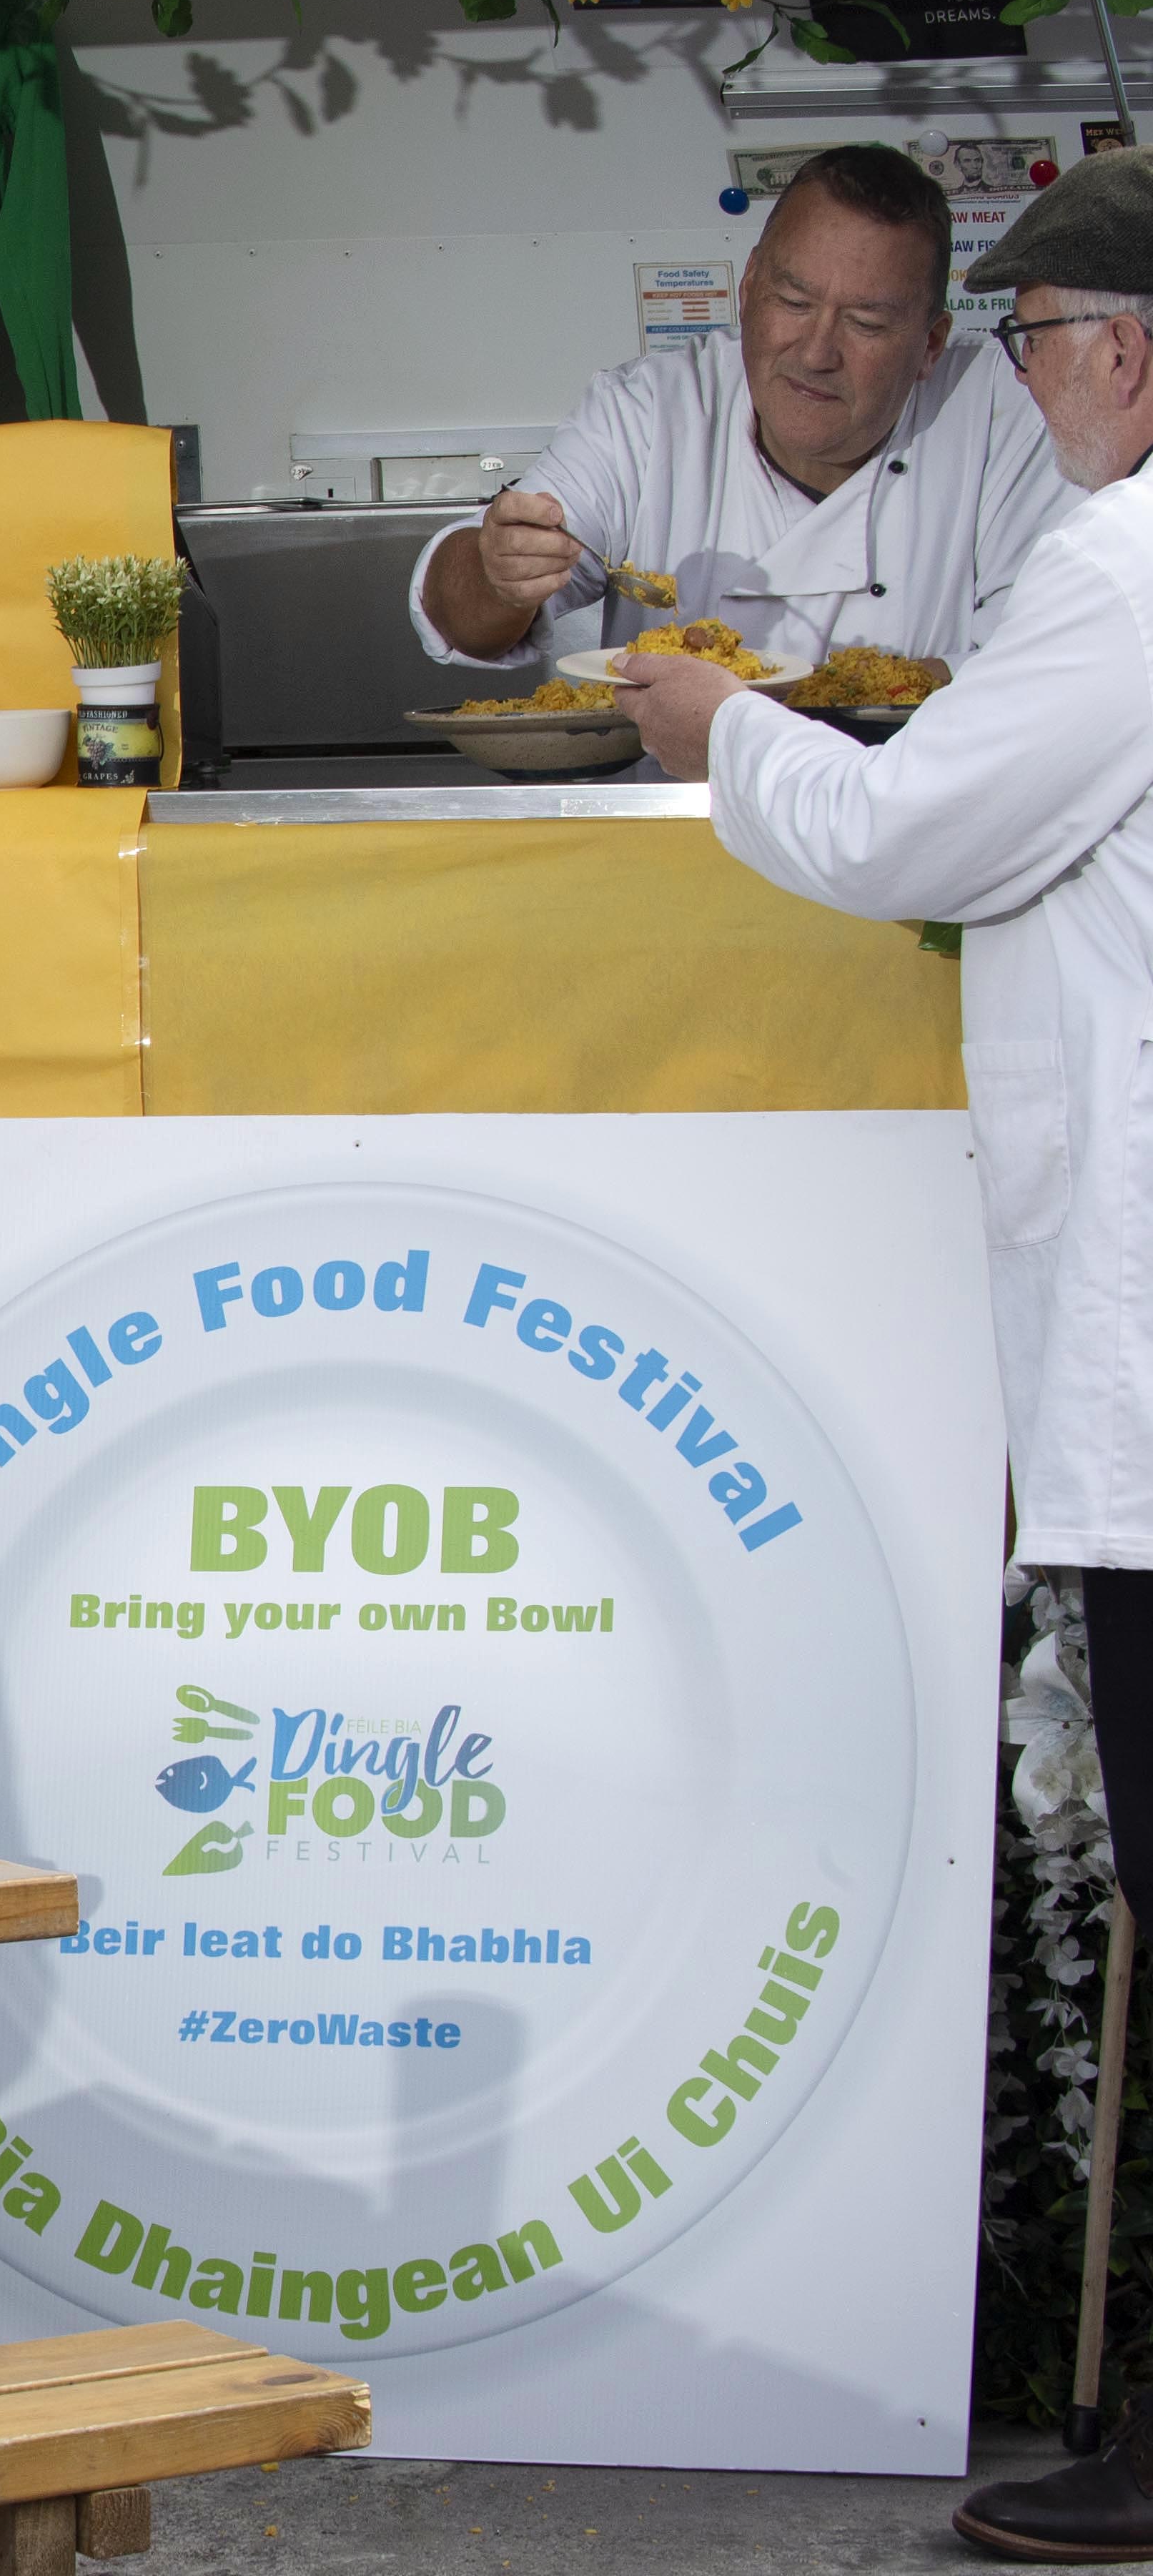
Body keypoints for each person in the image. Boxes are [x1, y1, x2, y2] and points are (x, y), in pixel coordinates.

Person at [609, 154, 1153, 2563]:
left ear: (1110, 347)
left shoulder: (1120, 570)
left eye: (1026, 336)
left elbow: (911, 829)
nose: (1017, 386)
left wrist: (718, 724)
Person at [416, 142, 1072, 676]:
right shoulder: (654, 411)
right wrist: (498, 575)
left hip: (920, 819)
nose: (817, 353)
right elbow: (462, 624)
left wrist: (830, 702)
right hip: (680, 819)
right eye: (792, 302)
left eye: (866, 324)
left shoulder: (1004, 410)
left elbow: (1047, 667)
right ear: (749, 287)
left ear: (930, 342)